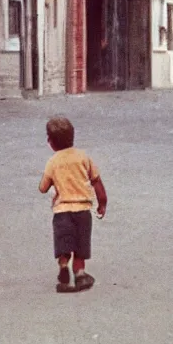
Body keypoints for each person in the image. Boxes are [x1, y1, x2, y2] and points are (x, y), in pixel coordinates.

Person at [39, 117, 109, 293]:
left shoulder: (53, 162)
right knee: (80, 245)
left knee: (64, 244)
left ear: (51, 142)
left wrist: (54, 182)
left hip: (62, 211)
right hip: (83, 211)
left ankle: (64, 267)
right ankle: (80, 274)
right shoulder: (83, 157)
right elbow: (97, 181)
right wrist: (102, 203)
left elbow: (43, 187)